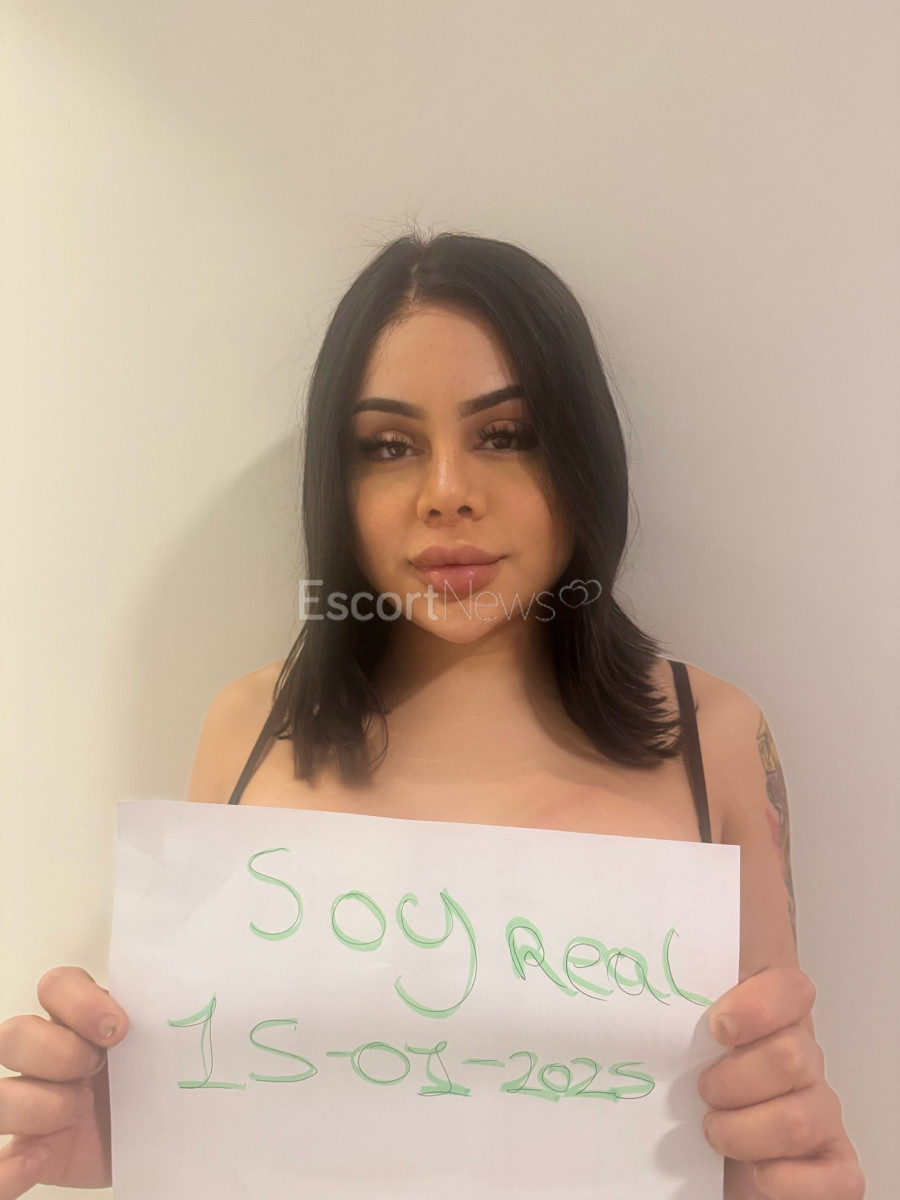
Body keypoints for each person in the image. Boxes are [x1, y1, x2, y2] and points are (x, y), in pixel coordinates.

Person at [0, 232, 864, 1198]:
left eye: (506, 434)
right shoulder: (247, 730)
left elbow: (760, 1124)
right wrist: (138, 1122)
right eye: (389, 446)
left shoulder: (716, 737)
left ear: (582, 455)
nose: (447, 494)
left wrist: (788, 1174)